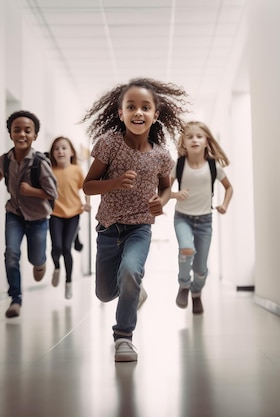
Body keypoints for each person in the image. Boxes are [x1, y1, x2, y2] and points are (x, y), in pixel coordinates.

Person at [81, 77, 188, 362]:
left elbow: (165, 188)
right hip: (107, 228)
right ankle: (134, 290)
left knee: (130, 271)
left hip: (140, 228)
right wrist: (113, 183)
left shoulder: (162, 157)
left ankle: (124, 338)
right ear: (121, 113)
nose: (138, 112)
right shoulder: (109, 144)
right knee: (105, 294)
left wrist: (160, 202)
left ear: (155, 114)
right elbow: (88, 186)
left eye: (145, 107)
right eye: (131, 107)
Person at [0, 110, 58, 318]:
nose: (22, 134)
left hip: (38, 218)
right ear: (10, 134)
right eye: (17, 130)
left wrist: (31, 191)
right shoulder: (6, 160)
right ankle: (15, 299)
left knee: (35, 257)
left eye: (27, 131)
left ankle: (40, 262)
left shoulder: (40, 162)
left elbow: (53, 193)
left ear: (34, 136)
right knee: (11, 254)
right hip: (14, 213)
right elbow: (1, 171)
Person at [170, 120, 233, 315]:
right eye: (190, 137)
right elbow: (163, 189)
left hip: (205, 221)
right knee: (186, 249)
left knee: (201, 269)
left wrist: (224, 205)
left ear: (207, 141)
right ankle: (184, 285)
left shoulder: (213, 166)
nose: (194, 140)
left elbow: (229, 188)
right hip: (182, 218)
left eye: (199, 136)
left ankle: (196, 293)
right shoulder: (178, 165)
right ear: (184, 142)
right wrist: (174, 194)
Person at [48, 136, 91, 299]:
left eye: (64, 148)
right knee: (56, 247)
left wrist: (87, 203)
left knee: (66, 248)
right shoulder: (50, 171)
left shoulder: (76, 170)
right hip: (55, 214)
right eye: (57, 148)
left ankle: (68, 282)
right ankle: (57, 267)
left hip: (74, 213)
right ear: (53, 153)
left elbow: (86, 188)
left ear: (71, 152)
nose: (60, 151)